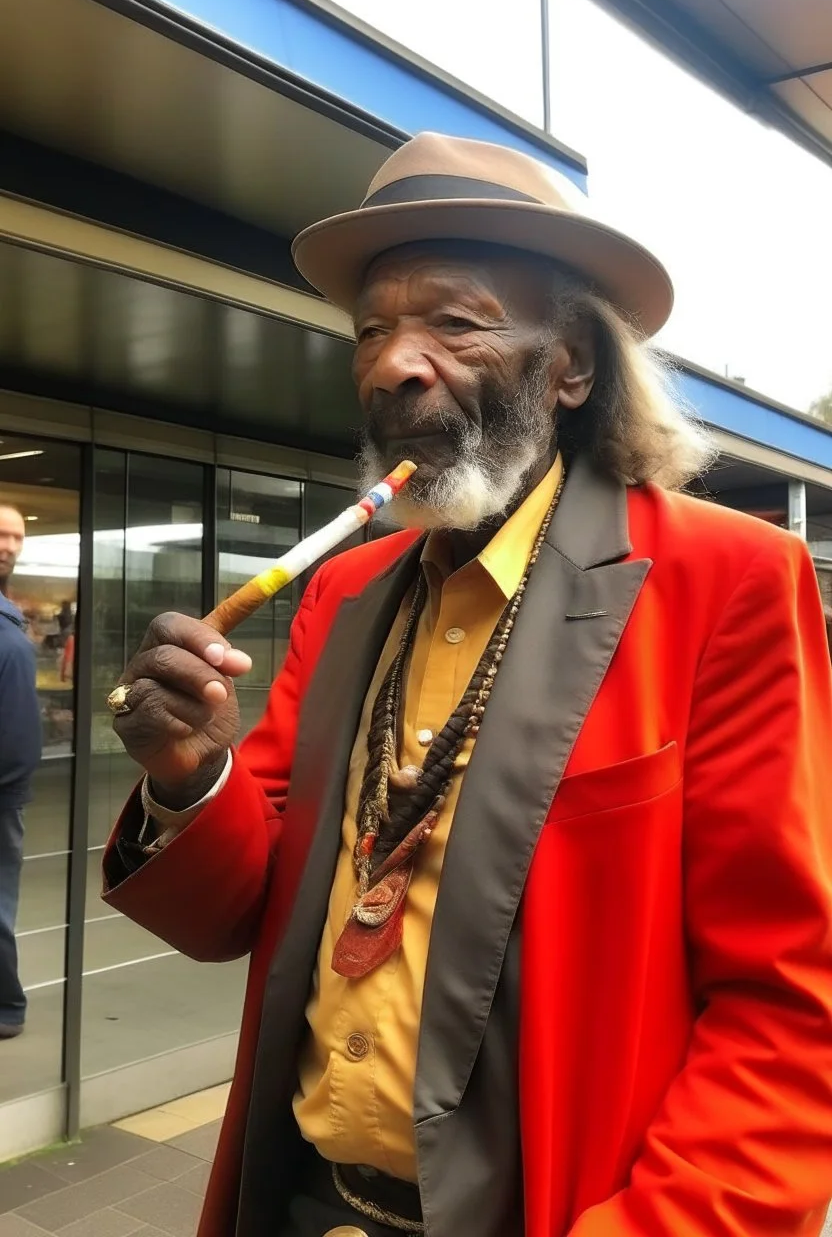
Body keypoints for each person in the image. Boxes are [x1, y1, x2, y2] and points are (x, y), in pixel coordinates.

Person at [102, 134, 832, 1237]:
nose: (396, 362)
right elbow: (236, 914)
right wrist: (188, 777)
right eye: (373, 332)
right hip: (299, 1201)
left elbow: (790, 1009)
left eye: (454, 321)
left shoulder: (723, 580)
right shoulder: (344, 594)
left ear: (569, 364)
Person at [0, 504, 41, 1040]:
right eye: (0, 534)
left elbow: (15, 736)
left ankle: (7, 1007)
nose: (8, 544)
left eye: (16, 536)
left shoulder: (9, 626)